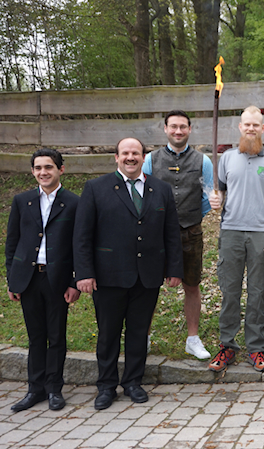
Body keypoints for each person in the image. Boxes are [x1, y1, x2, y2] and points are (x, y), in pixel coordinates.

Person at [74, 137, 183, 410]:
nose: (130, 157)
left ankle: (133, 382)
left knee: (137, 332)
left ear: (144, 157)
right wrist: (84, 273)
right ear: (116, 157)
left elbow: (171, 233)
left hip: (147, 276)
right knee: (108, 333)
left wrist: (174, 269)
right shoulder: (96, 188)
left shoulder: (161, 190)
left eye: (135, 153)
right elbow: (82, 236)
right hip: (108, 276)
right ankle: (106, 386)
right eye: (125, 153)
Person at [207, 106, 264, 373]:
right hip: (230, 232)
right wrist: (215, 200)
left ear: (263, 129)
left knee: (257, 293)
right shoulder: (227, 158)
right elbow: (217, 194)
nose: (251, 128)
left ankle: (256, 349)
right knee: (229, 292)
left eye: (256, 124)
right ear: (240, 127)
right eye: (247, 124)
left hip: (260, 234)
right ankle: (227, 347)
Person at [5, 149, 80, 412]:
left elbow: (79, 245)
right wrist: (12, 280)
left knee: (56, 336)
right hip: (28, 279)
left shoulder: (73, 202)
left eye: (48, 167)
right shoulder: (22, 201)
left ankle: (54, 389)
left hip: (56, 279)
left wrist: (74, 281)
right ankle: (34, 389)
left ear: (61, 169)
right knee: (36, 336)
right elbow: (12, 244)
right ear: (33, 171)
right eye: (38, 168)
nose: (43, 172)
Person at [142, 110, 213, 360]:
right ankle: (144, 337)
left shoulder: (203, 161)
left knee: (192, 285)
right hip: (155, 235)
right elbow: (143, 194)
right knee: (148, 286)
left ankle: (192, 339)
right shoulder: (150, 160)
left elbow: (209, 196)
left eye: (183, 127)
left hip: (190, 233)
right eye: (173, 127)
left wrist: (192, 216)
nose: (178, 131)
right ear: (165, 129)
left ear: (190, 130)